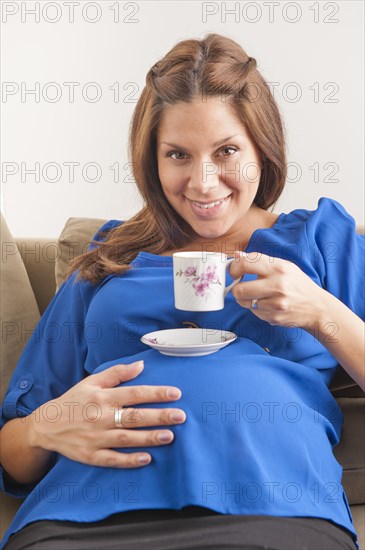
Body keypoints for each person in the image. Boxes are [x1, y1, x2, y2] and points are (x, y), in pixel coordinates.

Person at [0, 32, 364, 550]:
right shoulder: (107, 258)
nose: (203, 181)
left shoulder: (319, 240)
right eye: (178, 155)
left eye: (227, 151)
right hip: (83, 514)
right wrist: (43, 428)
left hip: (273, 507)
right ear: (153, 160)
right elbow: (11, 450)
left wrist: (319, 310)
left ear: (262, 146)